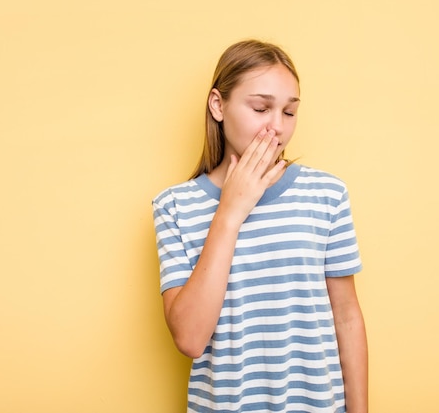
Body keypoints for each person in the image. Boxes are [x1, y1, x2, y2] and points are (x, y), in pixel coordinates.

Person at [152, 39, 368, 413]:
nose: (277, 127)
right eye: (260, 108)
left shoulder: (327, 194)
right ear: (218, 105)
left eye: (289, 112)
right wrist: (230, 212)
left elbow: (347, 318)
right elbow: (189, 338)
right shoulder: (174, 206)